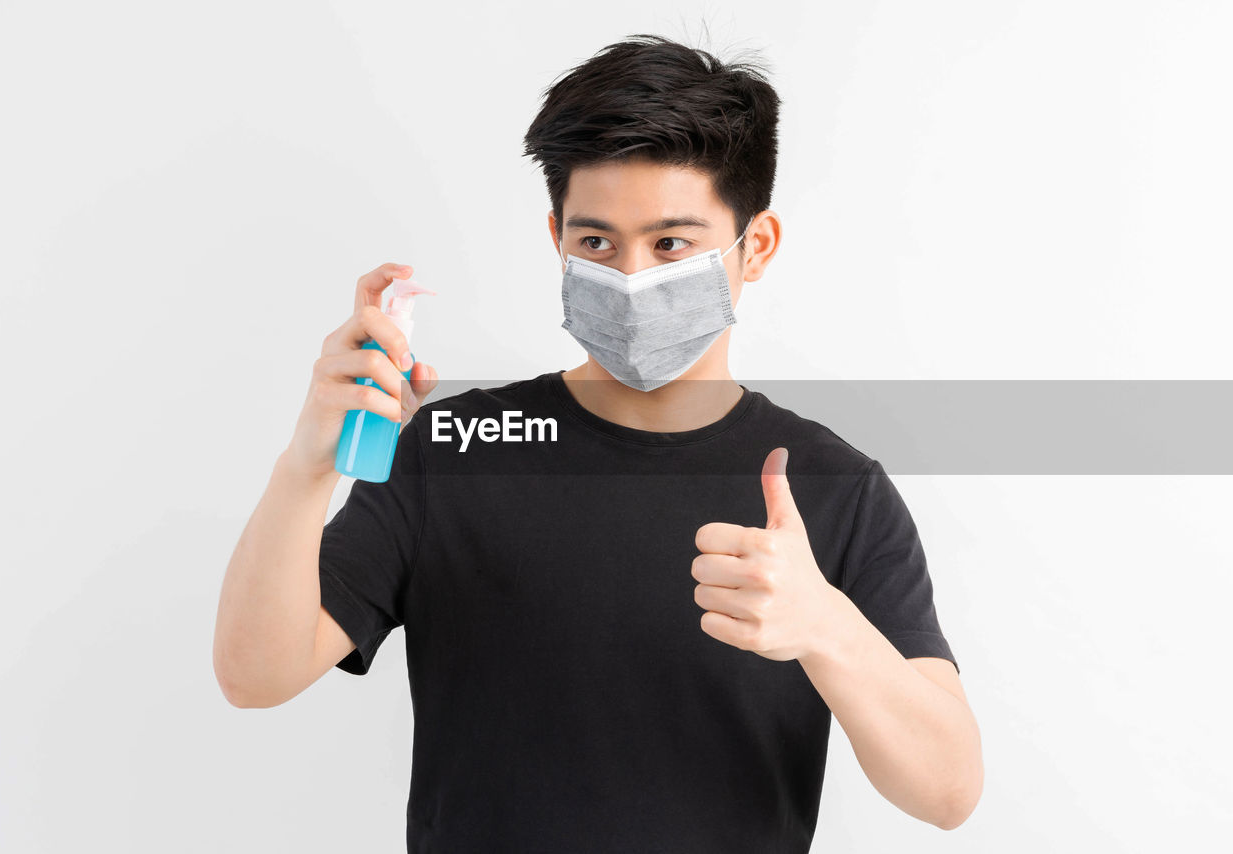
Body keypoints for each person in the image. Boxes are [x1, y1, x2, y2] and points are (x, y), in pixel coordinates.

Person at [215, 33, 983, 852]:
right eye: (596, 244)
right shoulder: (459, 447)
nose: (630, 276)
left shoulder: (831, 488)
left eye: (671, 244)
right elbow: (256, 674)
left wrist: (825, 627)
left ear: (753, 247)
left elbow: (947, 791)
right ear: (557, 238)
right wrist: (305, 468)